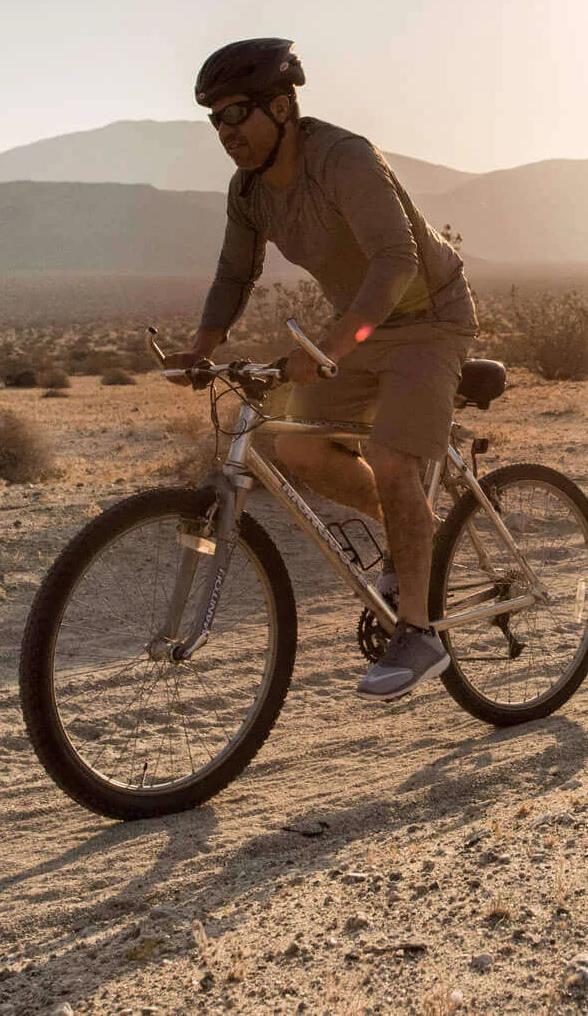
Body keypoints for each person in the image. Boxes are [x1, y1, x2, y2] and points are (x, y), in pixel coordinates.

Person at [176, 38, 477, 700]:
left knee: (395, 462)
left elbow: (396, 262)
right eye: (214, 120)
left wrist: (333, 349)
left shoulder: (344, 159)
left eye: (237, 115)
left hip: (429, 319)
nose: (225, 133)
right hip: (364, 324)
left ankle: (422, 635)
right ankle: (410, 535)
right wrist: (202, 346)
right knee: (297, 449)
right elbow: (235, 271)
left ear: (282, 108)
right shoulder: (250, 190)